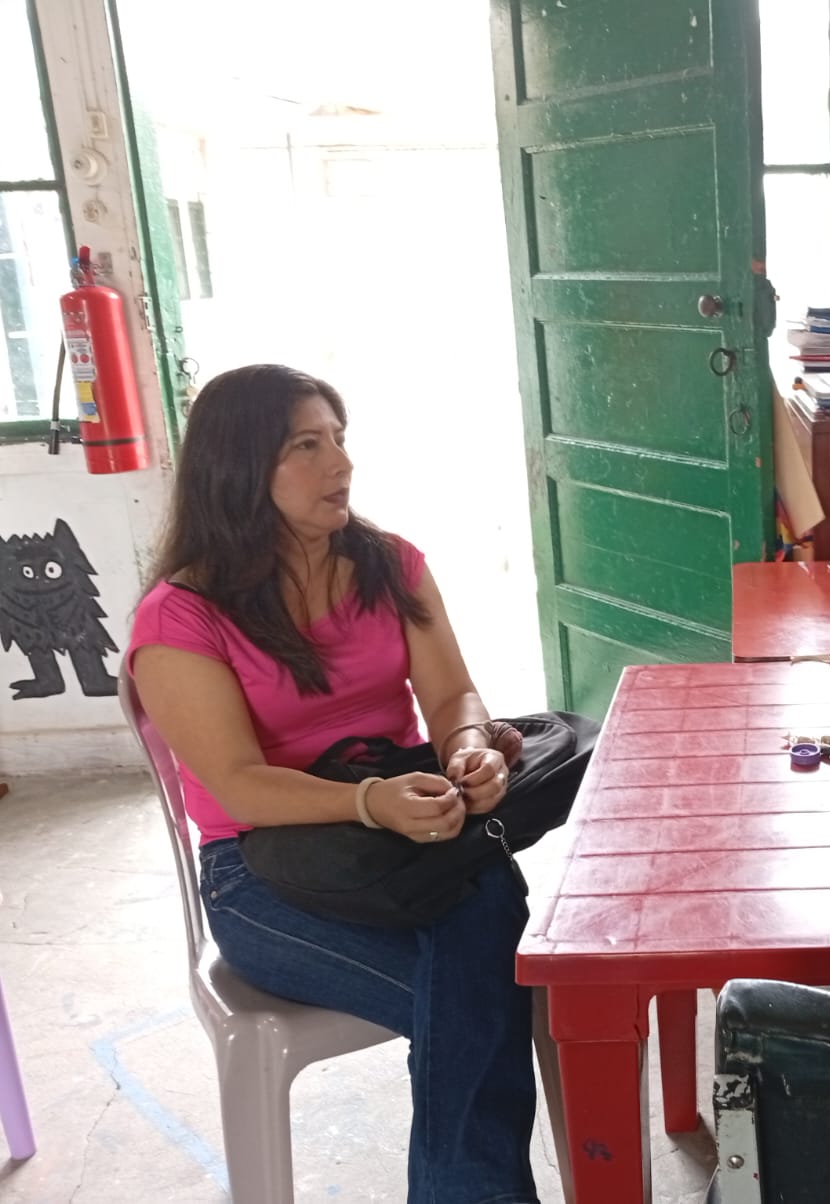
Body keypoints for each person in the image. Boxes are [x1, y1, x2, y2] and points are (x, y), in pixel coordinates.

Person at [127, 364, 541, 1202]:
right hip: (262, 874)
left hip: (402, 837)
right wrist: (365, 802)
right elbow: (239, 786)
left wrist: (468, 750)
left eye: (340, 439)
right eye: (306, 446)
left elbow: (452, 696)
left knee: (479, 951)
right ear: (241, 469)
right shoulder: (180, 618)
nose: (340, 464)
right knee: (481, 992)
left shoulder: (390, 566)